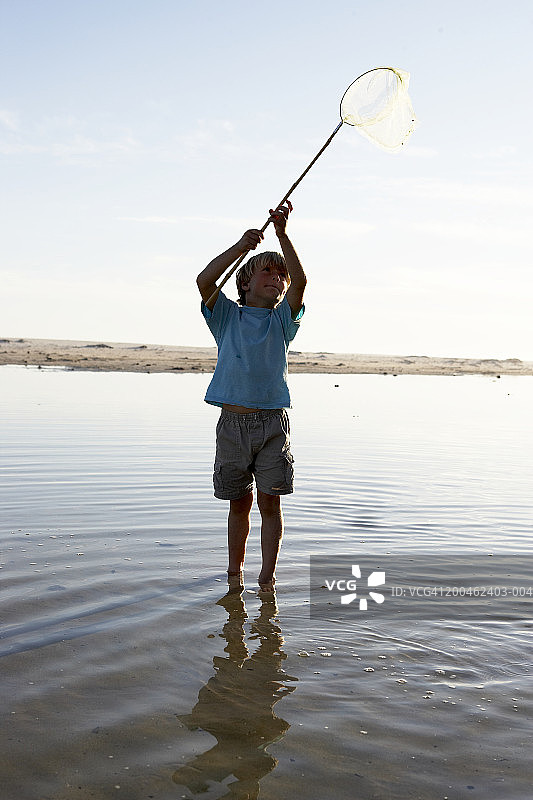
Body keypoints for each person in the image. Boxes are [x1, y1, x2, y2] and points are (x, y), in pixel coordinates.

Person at [196, 202, 306, 595]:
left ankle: (267, 579)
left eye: (281, 276)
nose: (277, 278)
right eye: (268, 272)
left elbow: (302, 283)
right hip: (233, 425)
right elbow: (205, 281)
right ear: (244, 283)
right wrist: (242, 247)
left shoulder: (282, 322)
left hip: (273, 425)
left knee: (271, 504)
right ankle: (234, 575)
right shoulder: (227, 316)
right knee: (238, 504)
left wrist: (282, 235)